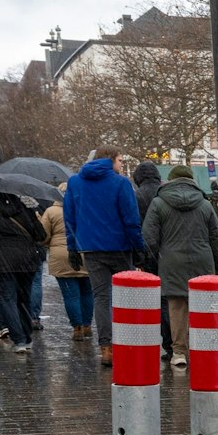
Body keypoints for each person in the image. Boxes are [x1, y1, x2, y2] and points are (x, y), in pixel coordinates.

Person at [64, 148, 146, 366]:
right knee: (123, 298)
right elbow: (130, 218)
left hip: (91, 249)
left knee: (101, 297)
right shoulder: (120, 183)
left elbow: (69, 218)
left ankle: (106, 348)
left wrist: (72, 248)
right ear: (110, 160)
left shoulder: (75, 183)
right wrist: (139, 247)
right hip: (120, 247)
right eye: (120, 160)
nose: (121, 164)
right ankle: (124, 344)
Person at [142, 166, 218, 369]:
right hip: (203, 259)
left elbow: (149, 238)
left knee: (176, 306)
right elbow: (215, 237)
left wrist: (157, 258)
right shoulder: (204, 204)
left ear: (170, 180)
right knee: (202, 306)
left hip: (171, 260)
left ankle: (179, 352)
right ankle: (203, 348)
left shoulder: (158, 203)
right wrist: (217, 267)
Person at [0, 190, 48, 354]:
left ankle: (19, 339)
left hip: (1, 263)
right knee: (24, 298)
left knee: (7, 299)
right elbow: (41, 235)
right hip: (26, 261)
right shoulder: (26, 209)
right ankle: (27, 337)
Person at [42, 190, 92, 336]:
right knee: (88, 293)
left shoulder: (51, 211)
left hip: (61, 255)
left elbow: (44, 236)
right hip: (85, 252)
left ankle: (77, 328)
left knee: (71, 295)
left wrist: (49, 243)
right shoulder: (86, 208)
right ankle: (87, 325)